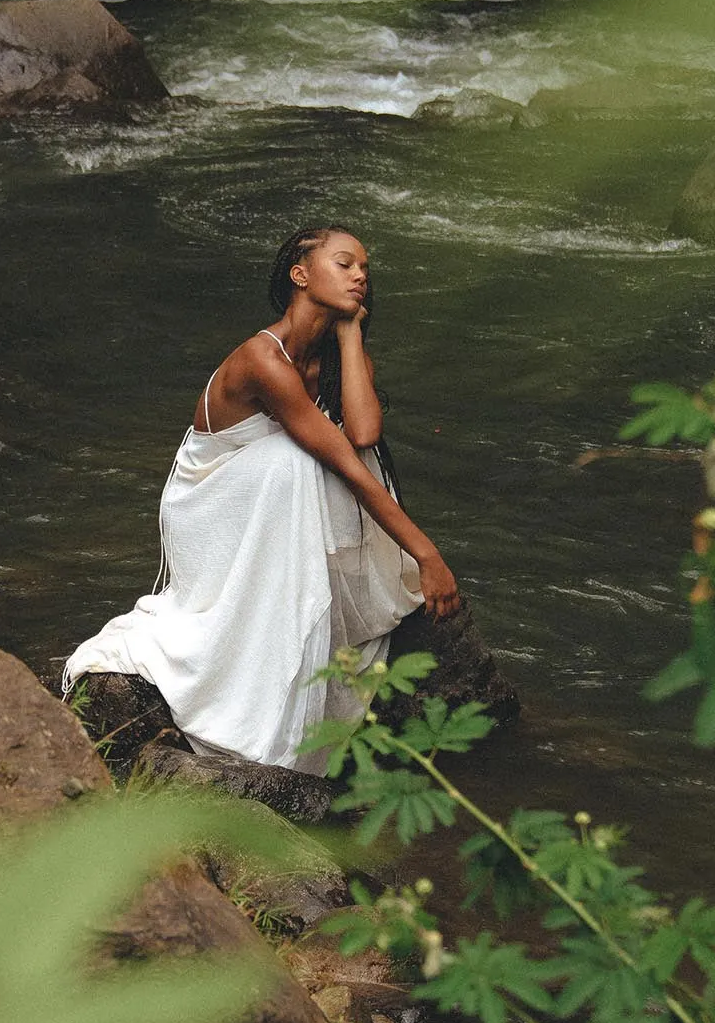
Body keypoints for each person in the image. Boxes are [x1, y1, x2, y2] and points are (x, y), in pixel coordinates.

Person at [63, 226, 461, 772]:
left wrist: (349, 337)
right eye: (345, 265)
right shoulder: (262, 359)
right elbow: (340, 461)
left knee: (329, 454)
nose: (361, 276)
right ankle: (250, 694)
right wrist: (427, 555)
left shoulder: (335, 355)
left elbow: (365, 438)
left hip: (275, 496)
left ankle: (306, 629)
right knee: (300, 458)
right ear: (300, 275)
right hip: (211, 505)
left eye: (364, 268)